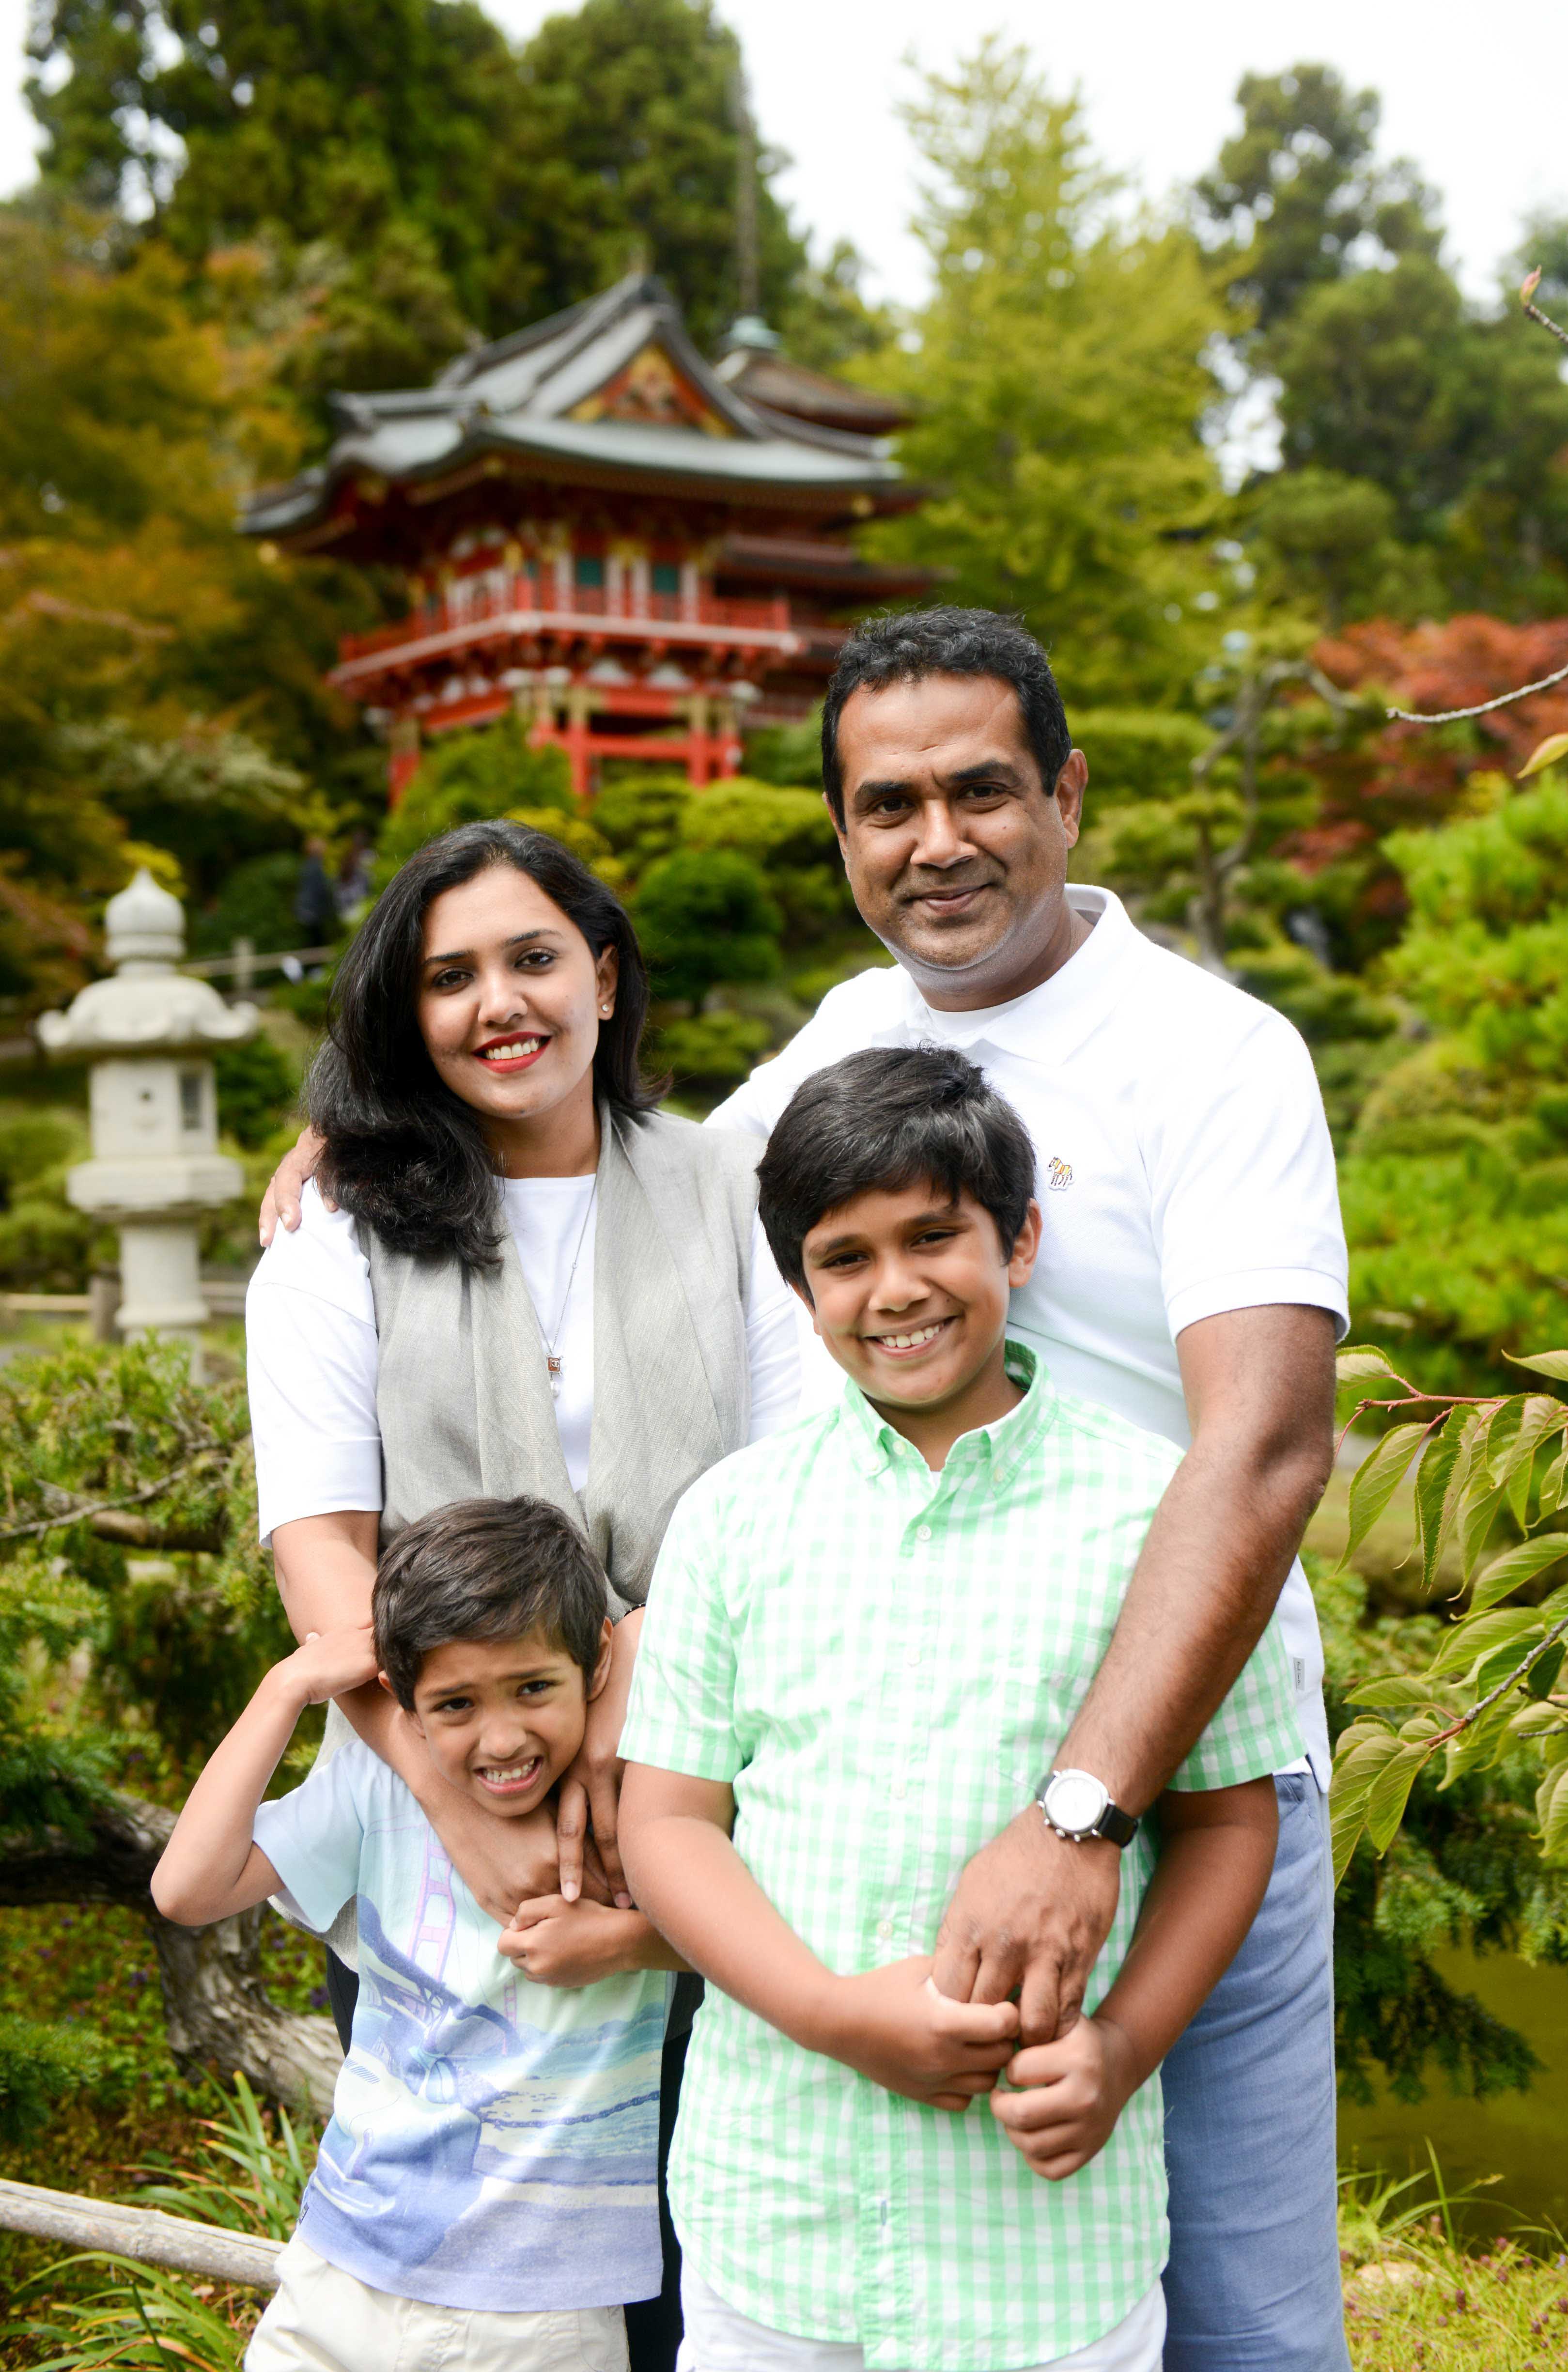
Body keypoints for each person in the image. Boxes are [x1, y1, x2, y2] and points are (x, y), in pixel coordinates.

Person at [259, 607, 1349, 2367]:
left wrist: (1083, 1810)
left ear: (1066, 794)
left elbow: (1268, 1443)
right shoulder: (843, 1033)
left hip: (1173, 1756)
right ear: (839, 833)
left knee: (1218, 2297)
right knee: (857, 2244)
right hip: (871, 1772)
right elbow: (644, 1167)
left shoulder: (1208, 1053)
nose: (935, 841)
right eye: (883, 805)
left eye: (980, 788)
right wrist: (384, 1119)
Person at [618, 1048, 1304, 2372]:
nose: (895, 1290)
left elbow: (1225, 1828)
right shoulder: (732, 1518)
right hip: (774, 2221)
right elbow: (669, 1823)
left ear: (1021, 1237)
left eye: (935, 1236)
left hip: (1039, 2254)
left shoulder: (1158, 1517)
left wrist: (1119, 2048)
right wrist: (827, 2011)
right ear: (798, 1284)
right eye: (844, 1257)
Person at [247, 818, 801, 2370]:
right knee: (468, 2276)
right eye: (449, 976)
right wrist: (457, 1798)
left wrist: (630, 1682)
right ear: (403, 1014)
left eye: (534, 958)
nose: (500, 1002)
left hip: (699, 1784)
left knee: (707, 2257)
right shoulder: (338, 1227)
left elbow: (783, 1490)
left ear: (606, 978)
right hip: (437, 1817)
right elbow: (319, 1544)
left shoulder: (728, 1190)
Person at [153, 1496, 685, 2372]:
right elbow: (186, 1888)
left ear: (596, 1665)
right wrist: (287, 1684)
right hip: (343, 2269)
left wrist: (624, 1943)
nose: (502, 1737)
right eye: (456, 1704)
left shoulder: (638, 1805)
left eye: (533, 1688)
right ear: (401, 1699)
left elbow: (772, 1931)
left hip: (544, 2309)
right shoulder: (377, 1790)